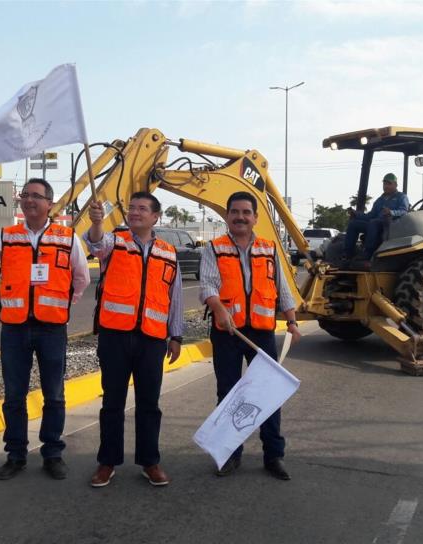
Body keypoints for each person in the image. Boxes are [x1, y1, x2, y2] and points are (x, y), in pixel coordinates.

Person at [0, 178, 89, 481]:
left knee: (54, 394)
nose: (29, 200)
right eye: (25, 195)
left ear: (50, 204)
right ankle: (15, 455)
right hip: (15, 329)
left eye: (36, 196)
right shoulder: (7, 236)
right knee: (14, 396)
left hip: (52, 328)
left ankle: (52, 453)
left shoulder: (68, 238)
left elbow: (81, 278)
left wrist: (63, 306)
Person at [83, 192, 183, 488]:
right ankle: (107, 462)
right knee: (112, 402)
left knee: (149, 404)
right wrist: (97, 222)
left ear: (155, 217)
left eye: (143, 209)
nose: (135, 212)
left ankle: (150, 462)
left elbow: (173, 298)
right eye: (132, 208)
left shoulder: (168, 252)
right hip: (115, 337)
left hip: (152, 339)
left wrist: (175, 335)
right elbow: (95, 243)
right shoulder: (115, 241)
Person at [200, 191, 302, 480]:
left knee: (268, 395)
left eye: (246, 212)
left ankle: (274, 455)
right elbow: (207, 285)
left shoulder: (269, 249)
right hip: (227, 332)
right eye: (235, 212)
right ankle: (229, 454)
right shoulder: (214, 248)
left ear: (255, 218)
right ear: (228, 216)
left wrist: (292, 322)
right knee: (228, 394)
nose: (240, 217)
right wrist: (218, 307)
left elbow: (282, 288)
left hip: (262, 332)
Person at [343, 173, 409, 262]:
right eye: (385, 184)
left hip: (390, 225)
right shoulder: (380, 200)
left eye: (389, 184)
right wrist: (356, 214)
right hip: (375, 224)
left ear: (395, 185)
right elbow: (371, 215)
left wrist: (391, 212)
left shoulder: (401, 197)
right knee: (353, 224)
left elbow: (404, 211)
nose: (386, 186)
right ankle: (348, 253)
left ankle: (368, 252)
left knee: (373, 222)